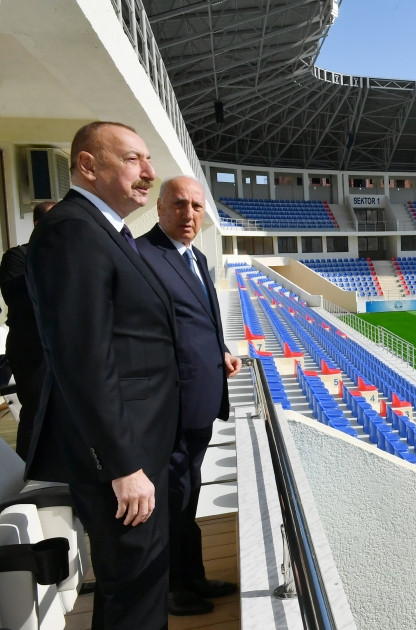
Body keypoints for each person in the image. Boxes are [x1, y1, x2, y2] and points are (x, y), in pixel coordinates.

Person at [25, 121, 180, 630]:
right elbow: (81, 357)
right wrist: (122, 464)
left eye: (149, 161)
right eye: (134, 160)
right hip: (121, 458)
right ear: (88, 166)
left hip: (139, 447)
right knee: (132, 591)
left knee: (141, 585)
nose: (149, 174)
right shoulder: (72, 229)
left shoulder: (106, 231)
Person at [135, 175, 241, 616]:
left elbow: (195, 323)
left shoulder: (195, 256)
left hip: (199, 401)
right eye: (179, 205)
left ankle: (191, 575)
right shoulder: (142, 256)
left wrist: (221, 350)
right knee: (173, 500)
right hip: (171, 407)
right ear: (159, 208)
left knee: (187, 493)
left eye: (197, 206)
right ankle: (173, 588)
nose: (189, 214)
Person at [0, 200, 55, 459]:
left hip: (63, 350)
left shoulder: (68, 258)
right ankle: (29, 473)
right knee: (36, 413)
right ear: (37, 224)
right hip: (33, 352)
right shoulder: (17, 257)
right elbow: (22, 303)